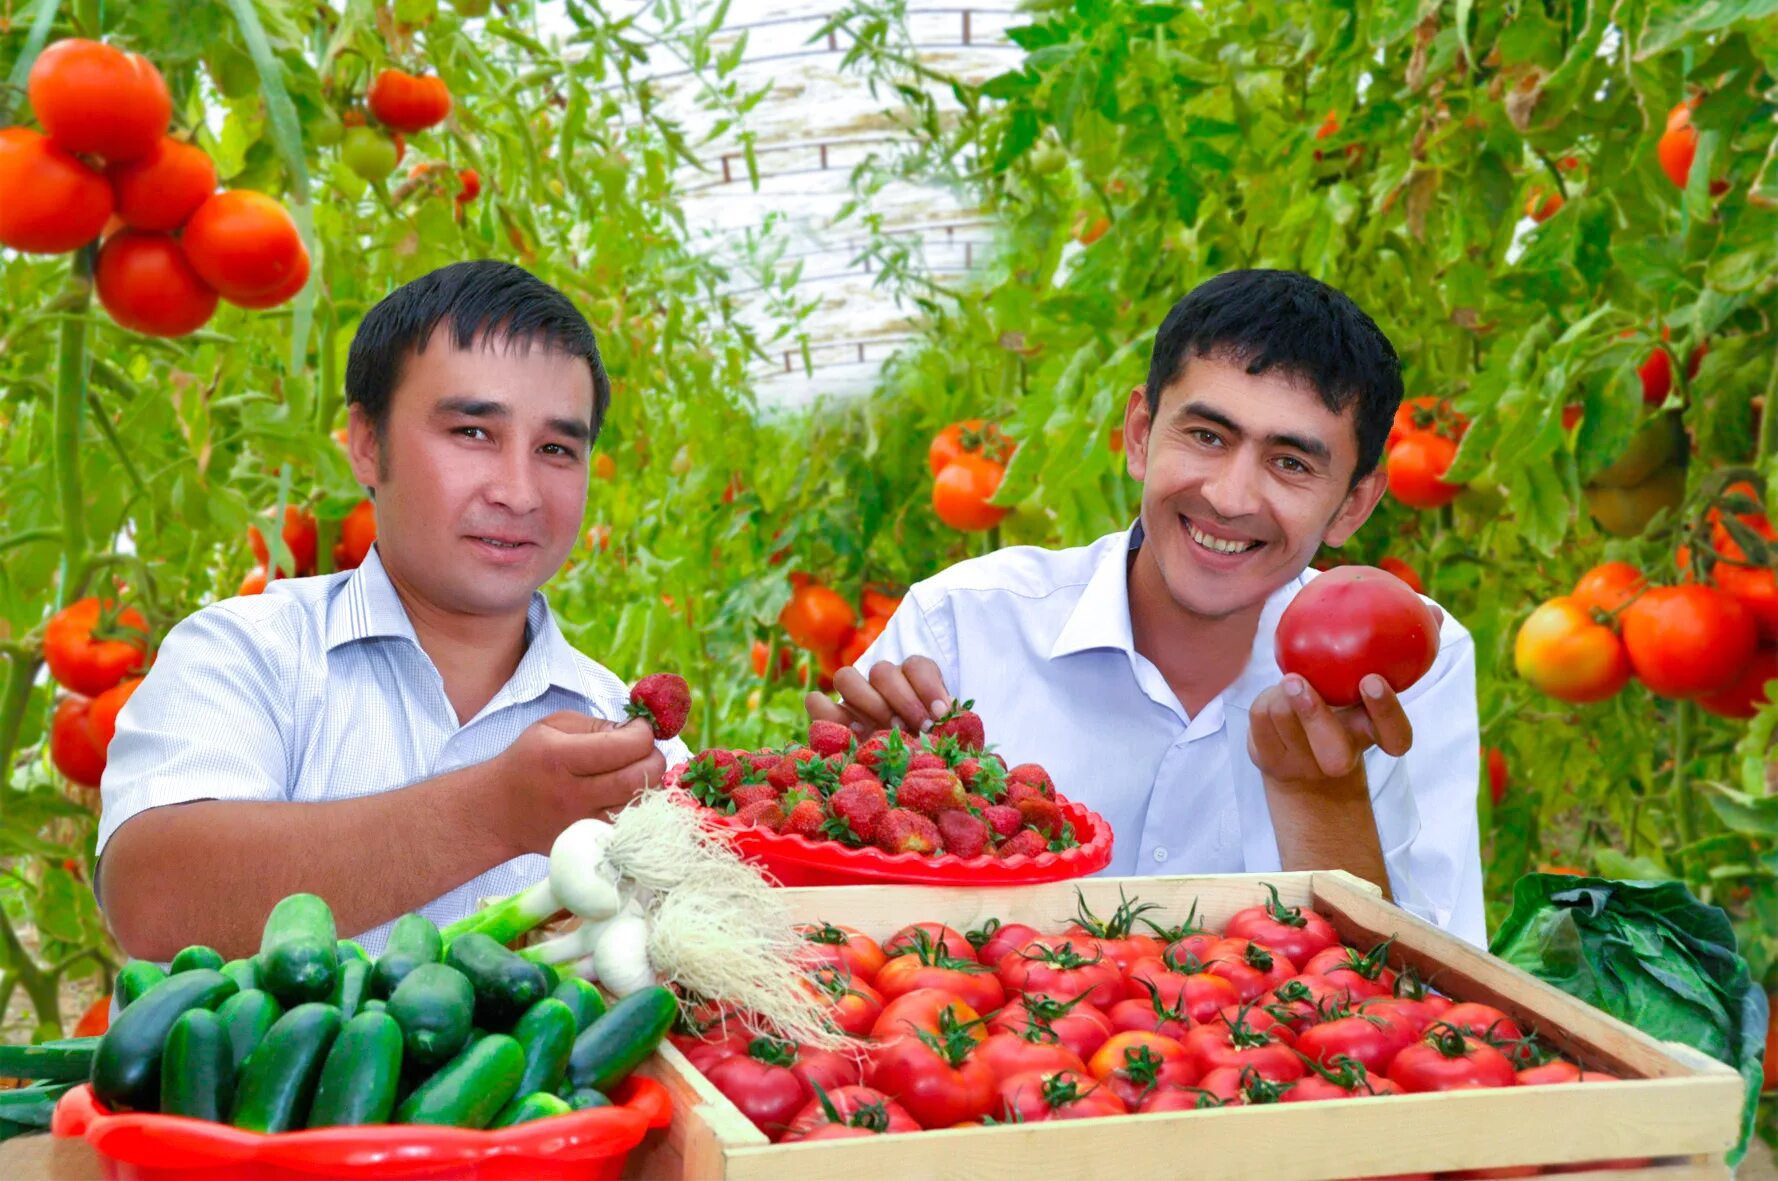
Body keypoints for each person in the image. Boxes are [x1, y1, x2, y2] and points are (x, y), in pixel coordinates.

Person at [809, 269, 1485, 946]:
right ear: (1140, 433)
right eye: (1208, 437)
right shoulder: (960, 628)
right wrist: (870, 798)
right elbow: (832, 939)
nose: (1229, 496)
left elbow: (1430, 999)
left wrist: (1322, 799)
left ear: (1355, 504)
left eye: (1291, 464)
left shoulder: (1409, 661)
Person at [96, 260, 683, 959]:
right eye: (472, 432)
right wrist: (491, 814)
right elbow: (154, 896)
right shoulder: (246, 654)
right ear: (367, 444)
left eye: (557, 448)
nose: (519, 492)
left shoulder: (629, 737)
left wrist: (842, 787)